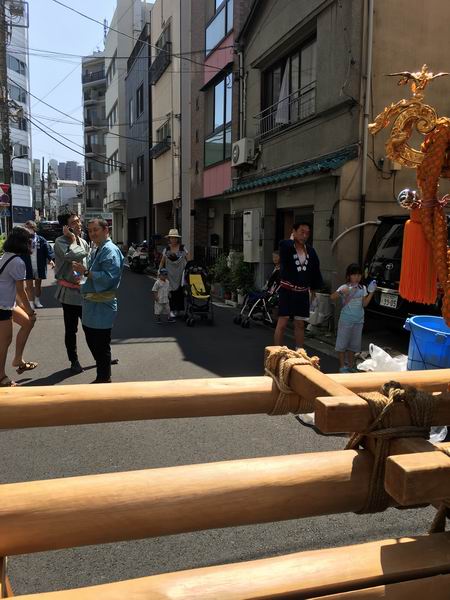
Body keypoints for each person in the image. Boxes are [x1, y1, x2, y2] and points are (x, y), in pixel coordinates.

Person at [72, 218, 124, 384]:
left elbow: (109, 278)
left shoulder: (110, 250)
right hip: (91, 305)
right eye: (90, 230)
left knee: (100, 344)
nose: (92, 233)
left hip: (102, 306)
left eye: (96, 230)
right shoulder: (98, 248)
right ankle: (103, 373)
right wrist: (84, 276)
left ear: (106, 230)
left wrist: (86, 273)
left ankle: (104, 377)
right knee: (92, 340)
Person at [274, 222, 323, 349]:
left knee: (300, 324)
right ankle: (276, 352)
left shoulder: (311, 251)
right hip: (287, 290)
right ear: (294, 232)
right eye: (302, 232)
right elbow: (284, 246)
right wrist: (292, 240)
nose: (304, 235)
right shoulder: (286, 246)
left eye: (307, 233)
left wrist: (313, 290)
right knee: (282, 323)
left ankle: (299, 351)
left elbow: (315, 271)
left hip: (302, 292)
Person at [0, 226, 37, 386]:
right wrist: (29, 309)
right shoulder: (17, 262)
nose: (32, 243)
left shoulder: (6, 256)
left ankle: (18, 359)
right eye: (30, 240)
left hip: (6, 303)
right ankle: (1, 377)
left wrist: (26, 310)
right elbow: (21, 290)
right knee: (4, 341)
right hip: (2, 306)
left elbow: (13, 289)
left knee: (28, 322)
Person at [54, 211, 90, 374]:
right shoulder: (60, 241)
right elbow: (75, 255)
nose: (79, 224)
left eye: (78, 221)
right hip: (69, 292)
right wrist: (73, 239)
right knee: (71, 329)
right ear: (66, 227)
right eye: (74, 222)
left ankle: (100, 356)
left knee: (91, 326)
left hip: (85, 290)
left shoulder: (83, 241)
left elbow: (87, 261)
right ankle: (73, 360)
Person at [330, 263, 376, 373]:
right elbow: (332, 297)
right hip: (346, 320)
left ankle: (350, 366)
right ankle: (342, 366)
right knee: (342, 344)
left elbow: (364, 304)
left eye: (359, 275)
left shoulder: (362, 288)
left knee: (353, 346)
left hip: (359, 321)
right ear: (349, 276)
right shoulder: (344, 287)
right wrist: (341, 292)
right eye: (354, 274)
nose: (357, 277)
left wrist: (371, 292)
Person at [22, 220, 55, 308]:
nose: (28, 230)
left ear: (34, 228)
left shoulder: (41, 239)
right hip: (27, 265)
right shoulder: (23, 240)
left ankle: (37, 300)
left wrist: (51, 259)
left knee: (38, 284)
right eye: (26, 228)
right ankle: (31, 302)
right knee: (29, 285)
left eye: (30, 228)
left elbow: (48, 250)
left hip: (39, 264)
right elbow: (18, 252)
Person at [159, 228, 188, 321]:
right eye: (172, 238)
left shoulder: (182, 248)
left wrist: (189, 269)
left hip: (180, 274)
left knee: (179, 292)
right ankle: (171, 310)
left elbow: (188, 259)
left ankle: (178, 310)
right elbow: (162, 261)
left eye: (175, 238)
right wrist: (159, 271)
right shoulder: (167, 249)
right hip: (169, 274)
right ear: (169, 239)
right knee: (170, 292)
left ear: (177, 239)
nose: (173, 239)